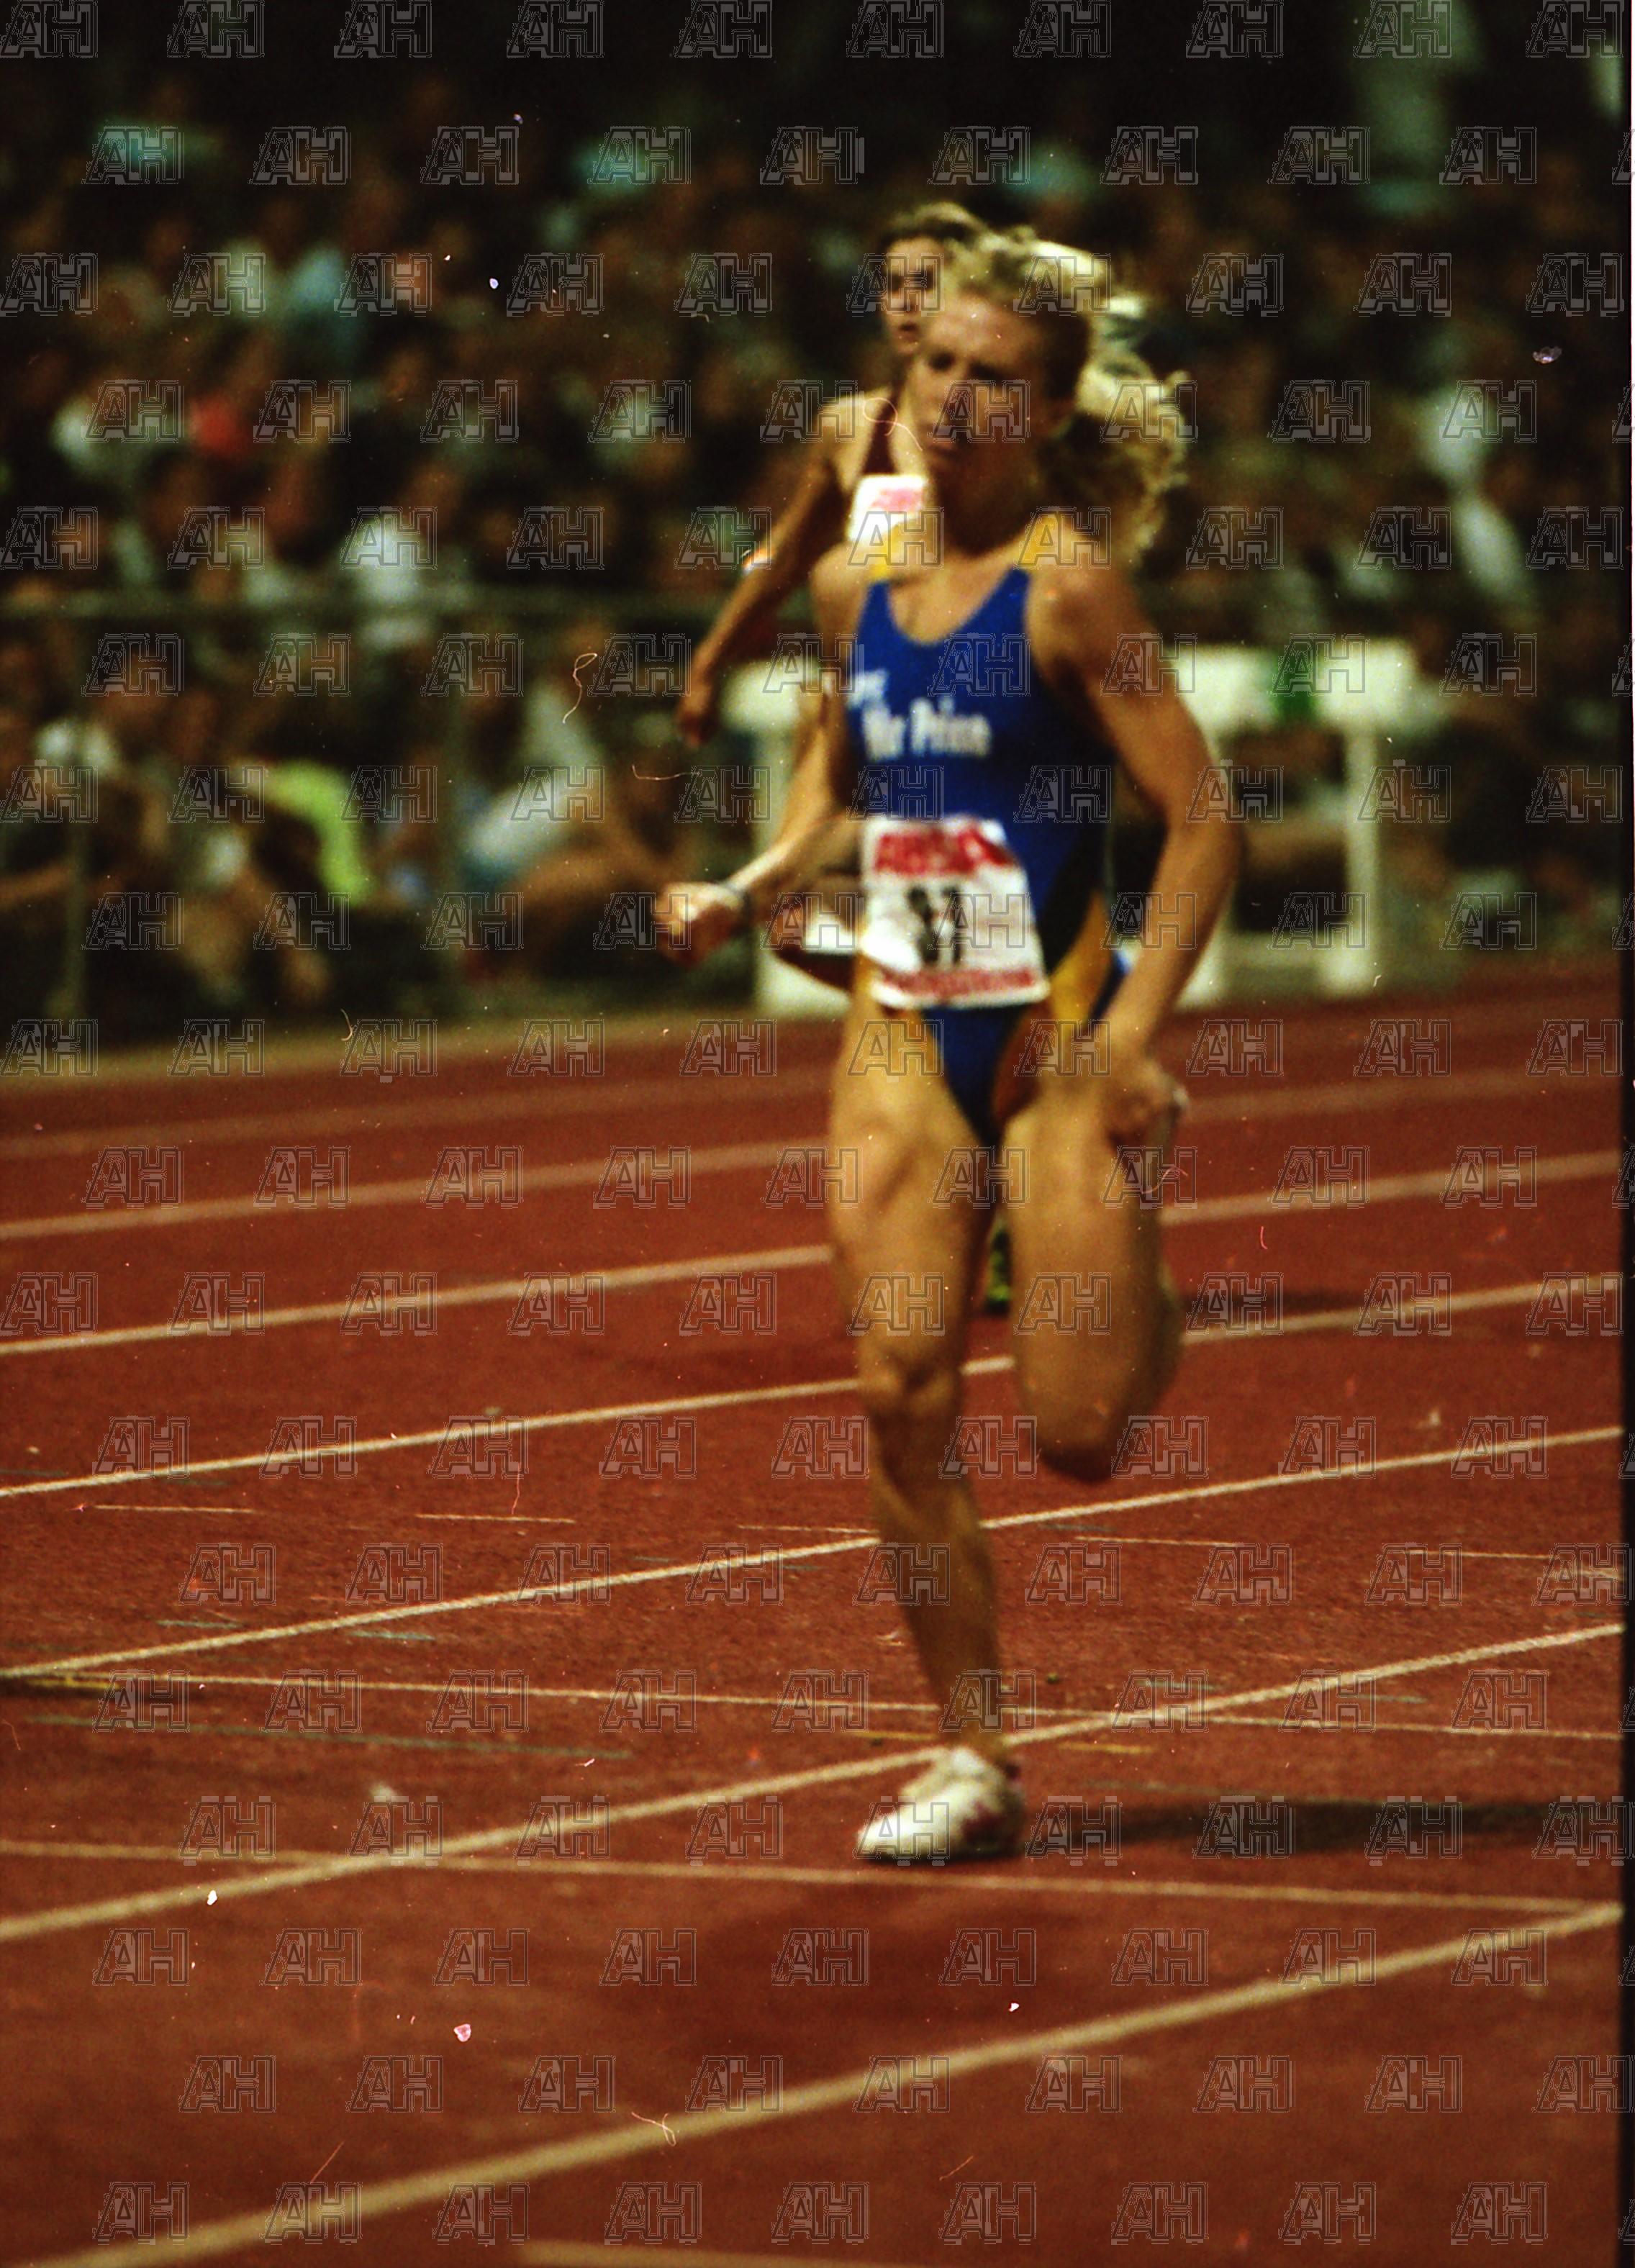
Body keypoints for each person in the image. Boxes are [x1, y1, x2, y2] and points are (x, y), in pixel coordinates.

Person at [656, 233, 1240, 1863]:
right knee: (898, 1392)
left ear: (1045, 411)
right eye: (937, 367)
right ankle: (971, 1755)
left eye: (996, 377)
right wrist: (754, 886)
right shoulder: (858, 580)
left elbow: (1202, 815)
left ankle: (1146, 1303)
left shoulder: (1071, 587)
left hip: (1055, 1041)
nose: (957, 396)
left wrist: (1130, 1041)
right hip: (901, 1028)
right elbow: (847, 768)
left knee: (1077, 1433)